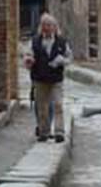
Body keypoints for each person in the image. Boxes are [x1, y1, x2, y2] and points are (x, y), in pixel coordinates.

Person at [26, 13, 71, 143]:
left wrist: (62, 60)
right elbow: (29, 54)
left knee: (58, 104)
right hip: (39, 78)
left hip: (56, 79)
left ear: (55, 27)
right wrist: (29, 60)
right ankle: (44, 132)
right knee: (42, 107)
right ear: (42, 27)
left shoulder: (62, 42)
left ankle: (59, 132)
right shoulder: (35, 41)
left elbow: (69, 57)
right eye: (45, 25)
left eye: (50, 25)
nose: (47, 28)